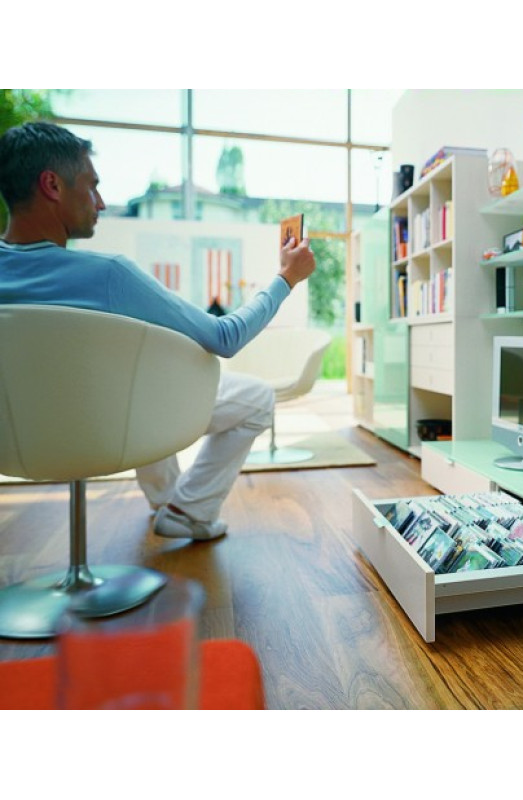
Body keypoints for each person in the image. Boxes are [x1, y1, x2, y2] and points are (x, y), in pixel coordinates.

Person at [0, 121, 316, 541]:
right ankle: (188, 511)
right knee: (256, 397)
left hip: (17, 443)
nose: (101, 202)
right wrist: (286, 279)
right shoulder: (108, 276)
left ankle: (166, 498)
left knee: (139, 374)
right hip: (106, 432)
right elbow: (225, 337)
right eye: (92, 186)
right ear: (52, 185)